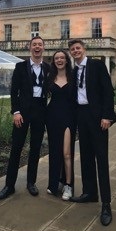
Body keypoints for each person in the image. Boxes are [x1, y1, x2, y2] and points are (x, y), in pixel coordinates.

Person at [68, 39, 116, 226]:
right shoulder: (73, 71)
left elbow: (108, 91)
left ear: (84, 49)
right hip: (82, 116)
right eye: (72, 49)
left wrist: (107, 116)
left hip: (98, 118)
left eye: (78, 48)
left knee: (101, 159)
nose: (75, 51)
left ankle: (106, 204)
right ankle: (90, 193)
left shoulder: (97, 65)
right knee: (86, 157)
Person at [0, 36, 50, 200]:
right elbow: (14, 91)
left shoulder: (48, 68)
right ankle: (9, 185)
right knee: (16, 149)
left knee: (35, 149)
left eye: (40, 45)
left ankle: (31, 183)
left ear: (43, 48)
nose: (37, 47)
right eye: (34, 45)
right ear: (30, 48)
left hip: (40, 111)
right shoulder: (20, 67)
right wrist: (16, 112)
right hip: (23, 112)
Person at [46, 50, 77, 200]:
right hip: (52, 117)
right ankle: (54, 183)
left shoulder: (73, 76)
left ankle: (68, 185)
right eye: (56, 58)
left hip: (68, 117)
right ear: (54, 61)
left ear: (66, 60)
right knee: (54, 152)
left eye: (62, 58)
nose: (59, 60)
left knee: (66, 153)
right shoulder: (50, 77)